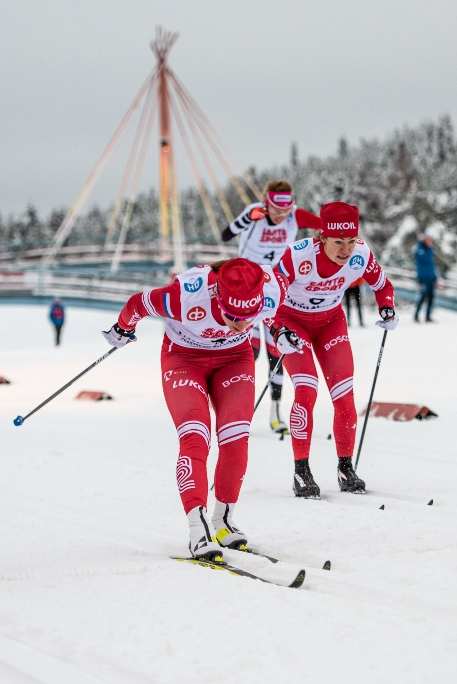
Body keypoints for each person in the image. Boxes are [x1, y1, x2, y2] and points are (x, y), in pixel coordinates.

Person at [101, 258, 302, 561]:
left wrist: (280, 333)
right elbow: (138, 303)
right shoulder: (185, 296)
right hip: (184, 359)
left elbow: (272, 317)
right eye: (233, 316)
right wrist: (122, 328)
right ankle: (198, 528)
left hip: (234, 358)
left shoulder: (270, 287)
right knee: (196, 436)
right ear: (217, 297)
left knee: (236, 437)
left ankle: (224, 520)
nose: (243, 324)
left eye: (249, 316)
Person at [273, 202, 396, 498]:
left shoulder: (361, 254)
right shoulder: (299, 254)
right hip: (293, 322)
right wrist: (277, 329)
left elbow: (382, 285)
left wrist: (387, 307)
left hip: (330, 322)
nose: (345, 250)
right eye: (338, 242)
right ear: (322, 238)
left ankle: (345, 467)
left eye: (351, 241)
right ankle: (301, 471)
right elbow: (270, 293)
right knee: (307, 389)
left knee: (344, 395)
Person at [221, 180, 321, 436]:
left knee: (277, 352)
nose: (279, 217)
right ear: (266, 204)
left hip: (276, 289)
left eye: (284, 212)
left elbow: (325, 225)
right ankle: (235, 411)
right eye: (275, 211)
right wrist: (248, 220)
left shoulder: (294, 216)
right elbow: (226, 234)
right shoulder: (255, 211)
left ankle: (275, 413)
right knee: (249, 353)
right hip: (247, 288)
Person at [414, 234, 437, 322]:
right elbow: (425, 259)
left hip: (430, 277)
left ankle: (428, 316)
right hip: (423, 277)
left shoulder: (429, 251)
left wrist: (435, 279)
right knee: (423, 296)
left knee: (431, 297)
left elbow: (432, 266)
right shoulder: (420, 250)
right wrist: (429, 249)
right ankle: (416, 315)